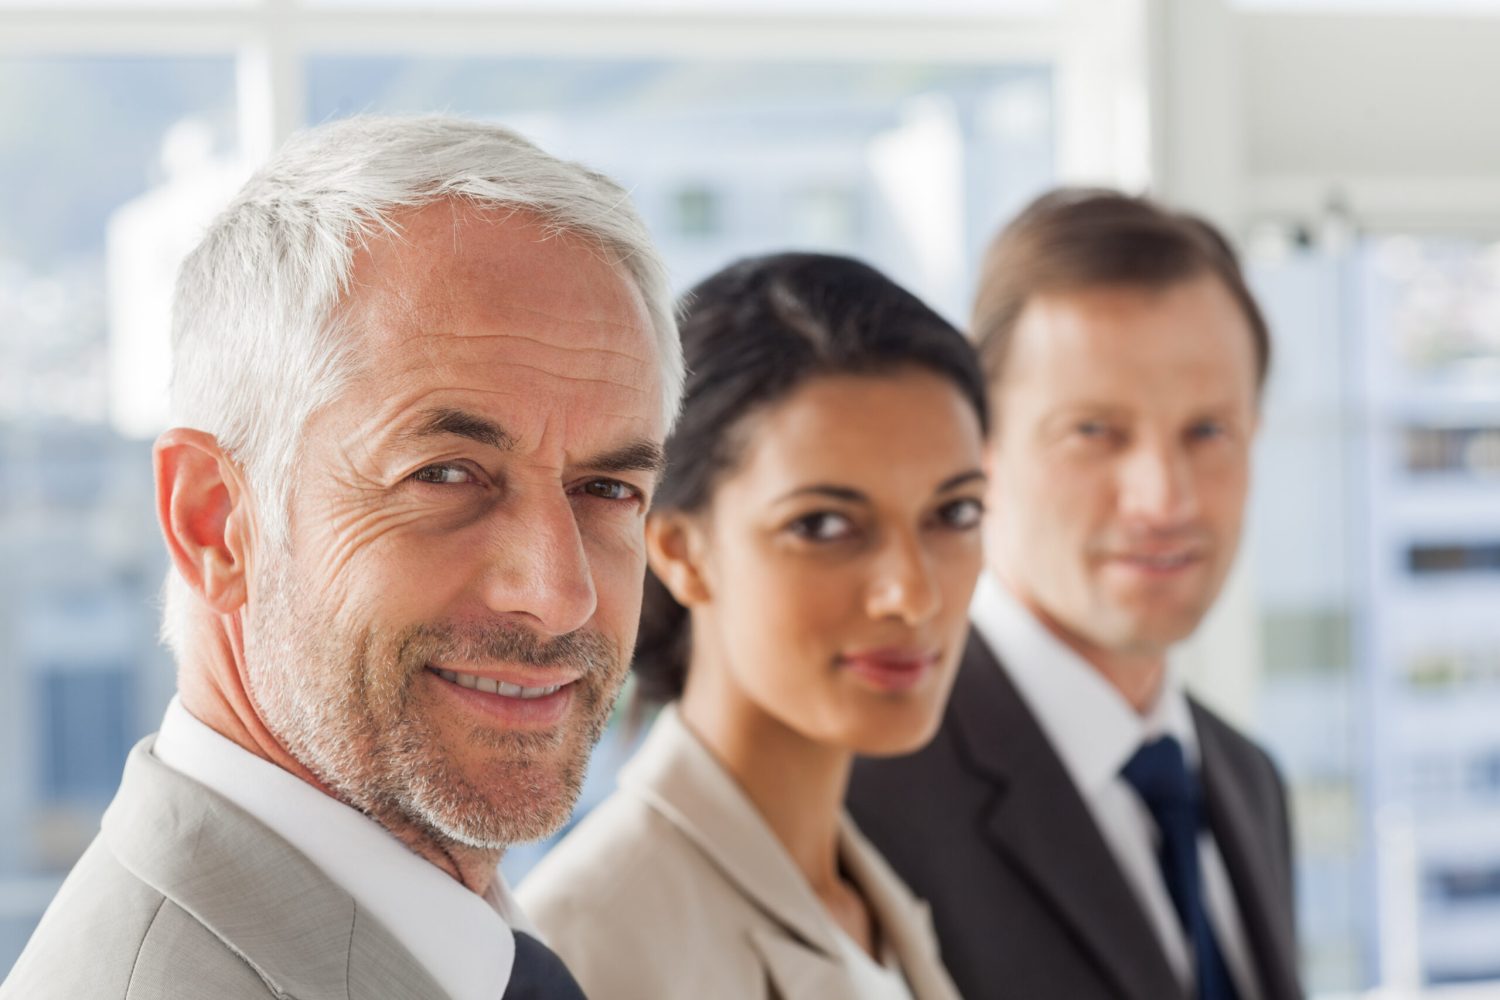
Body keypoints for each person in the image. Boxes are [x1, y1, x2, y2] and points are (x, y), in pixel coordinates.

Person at [2, 115, 683, 1000]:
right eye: (445, 474)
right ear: (214, 522)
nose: (560, 595)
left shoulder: (463, 945)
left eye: (606, 489)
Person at [849, 188, 1304, 1000]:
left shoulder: (1248, 782)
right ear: (977, 445)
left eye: (1208, 431)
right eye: (1095, 433)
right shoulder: (866, 799)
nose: (1165, 500)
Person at [517, 253, 988, 1000]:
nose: (913, 594)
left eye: (954, 513)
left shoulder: (875, 902)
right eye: (825, 525)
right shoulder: (586, 944)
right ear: (677, 550)